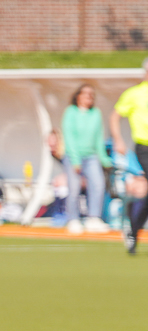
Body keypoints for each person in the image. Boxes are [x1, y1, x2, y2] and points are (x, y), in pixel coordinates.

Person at [61, 84, 113, 234]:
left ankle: (94, 218)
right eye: (86, 94)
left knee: (98, 184)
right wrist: (76, 160)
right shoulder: (70, 112)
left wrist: (104, 159)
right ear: (78, 96)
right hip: (73, 156)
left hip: (92, 156)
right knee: (74, 188)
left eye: (92, 94)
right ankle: (73, 219)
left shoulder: (96, 113)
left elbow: (98, 138)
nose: (89, 97)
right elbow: (69, 137)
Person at [110, 56, 148, 253]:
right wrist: (118, 139)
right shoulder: (135, 94)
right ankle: (133, 231)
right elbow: (115, 116)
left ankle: (133, 231)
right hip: (145, 147)